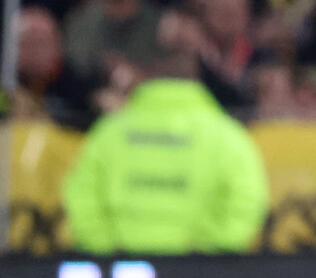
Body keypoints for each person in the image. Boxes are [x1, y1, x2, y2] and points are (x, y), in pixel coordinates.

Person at [61, 51, 270, 255]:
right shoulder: (227, 136)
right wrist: (207, 256)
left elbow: (81, 197)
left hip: (122, 271)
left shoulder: (108, 133)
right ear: (197, 77)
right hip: (203, 273)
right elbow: (246, 202)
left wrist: (107, 251)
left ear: (145, 73)